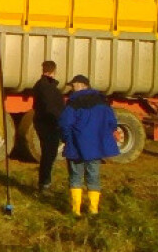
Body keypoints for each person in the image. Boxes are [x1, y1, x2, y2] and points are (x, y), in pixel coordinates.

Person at [59, 75, 120, 216]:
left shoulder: (73, 103)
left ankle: (76, 211)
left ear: (81, 85)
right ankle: (93, 210)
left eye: (73, 86)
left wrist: (67, 139)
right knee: (94, 176)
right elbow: (111, 122)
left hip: (76, 146)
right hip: (96, 147)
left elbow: (64, 124)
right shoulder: (103, 102)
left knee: (75, 177)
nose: (72, 89)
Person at [32, 60, 65, 192]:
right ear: (54, 71)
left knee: (48, 153)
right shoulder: (49, 88)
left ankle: (45, 181)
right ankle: (45, 183)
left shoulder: (40, 85)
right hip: (50, 124)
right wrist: (61, 120)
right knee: (49, 154)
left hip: (42, 122)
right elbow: (52, 108)